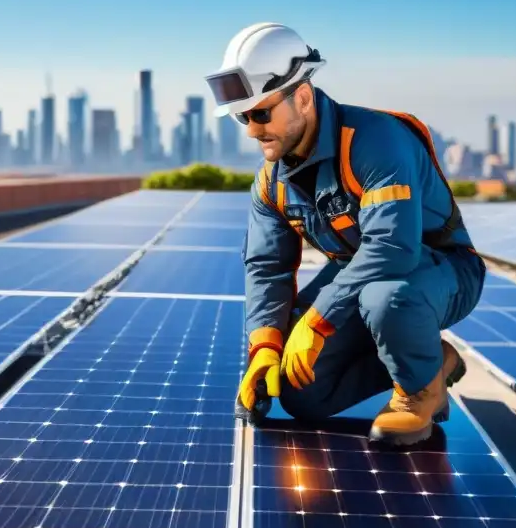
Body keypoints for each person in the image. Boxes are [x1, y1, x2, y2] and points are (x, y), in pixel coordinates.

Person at [205, 22, 487, 446]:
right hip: (360, 275)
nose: (251, 129)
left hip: (440, 269)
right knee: (302, 390)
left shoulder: (375, 142)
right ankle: (433, 360)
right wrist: (265, 345)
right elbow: (267, 267)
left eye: (261, 113)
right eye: (243, 116)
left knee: (386, 298)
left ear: (301, 97)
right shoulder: (271, 182)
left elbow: (393, 248)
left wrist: (318, 320)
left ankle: (419, 393)